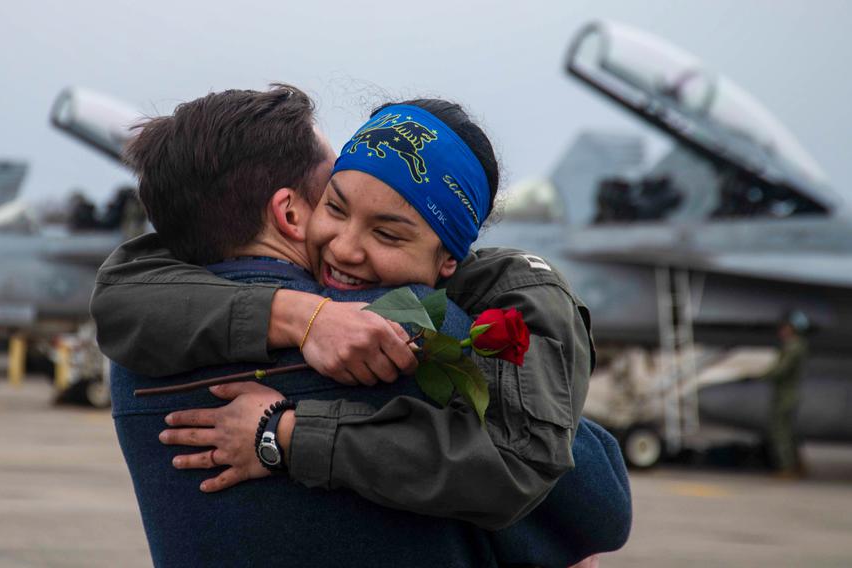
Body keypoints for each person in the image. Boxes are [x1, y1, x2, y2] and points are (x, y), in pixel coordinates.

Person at [102, 85, 630, 565]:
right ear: (290, 212)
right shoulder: (409, 329)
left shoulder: (135, 349)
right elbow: (598, 505)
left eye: (390, 233)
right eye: (334, 199)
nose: (346, 248)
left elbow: (122, 282)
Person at [759, 310, 810, 478]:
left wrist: (759, 374)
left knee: (781, 432)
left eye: (785, 327)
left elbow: (781, 370)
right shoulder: (796, 345)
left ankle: (787, 468)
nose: (782, 331)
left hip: (785, 396)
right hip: (788, 395)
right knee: (788, 432)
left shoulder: (793, 347)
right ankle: (797, 466)